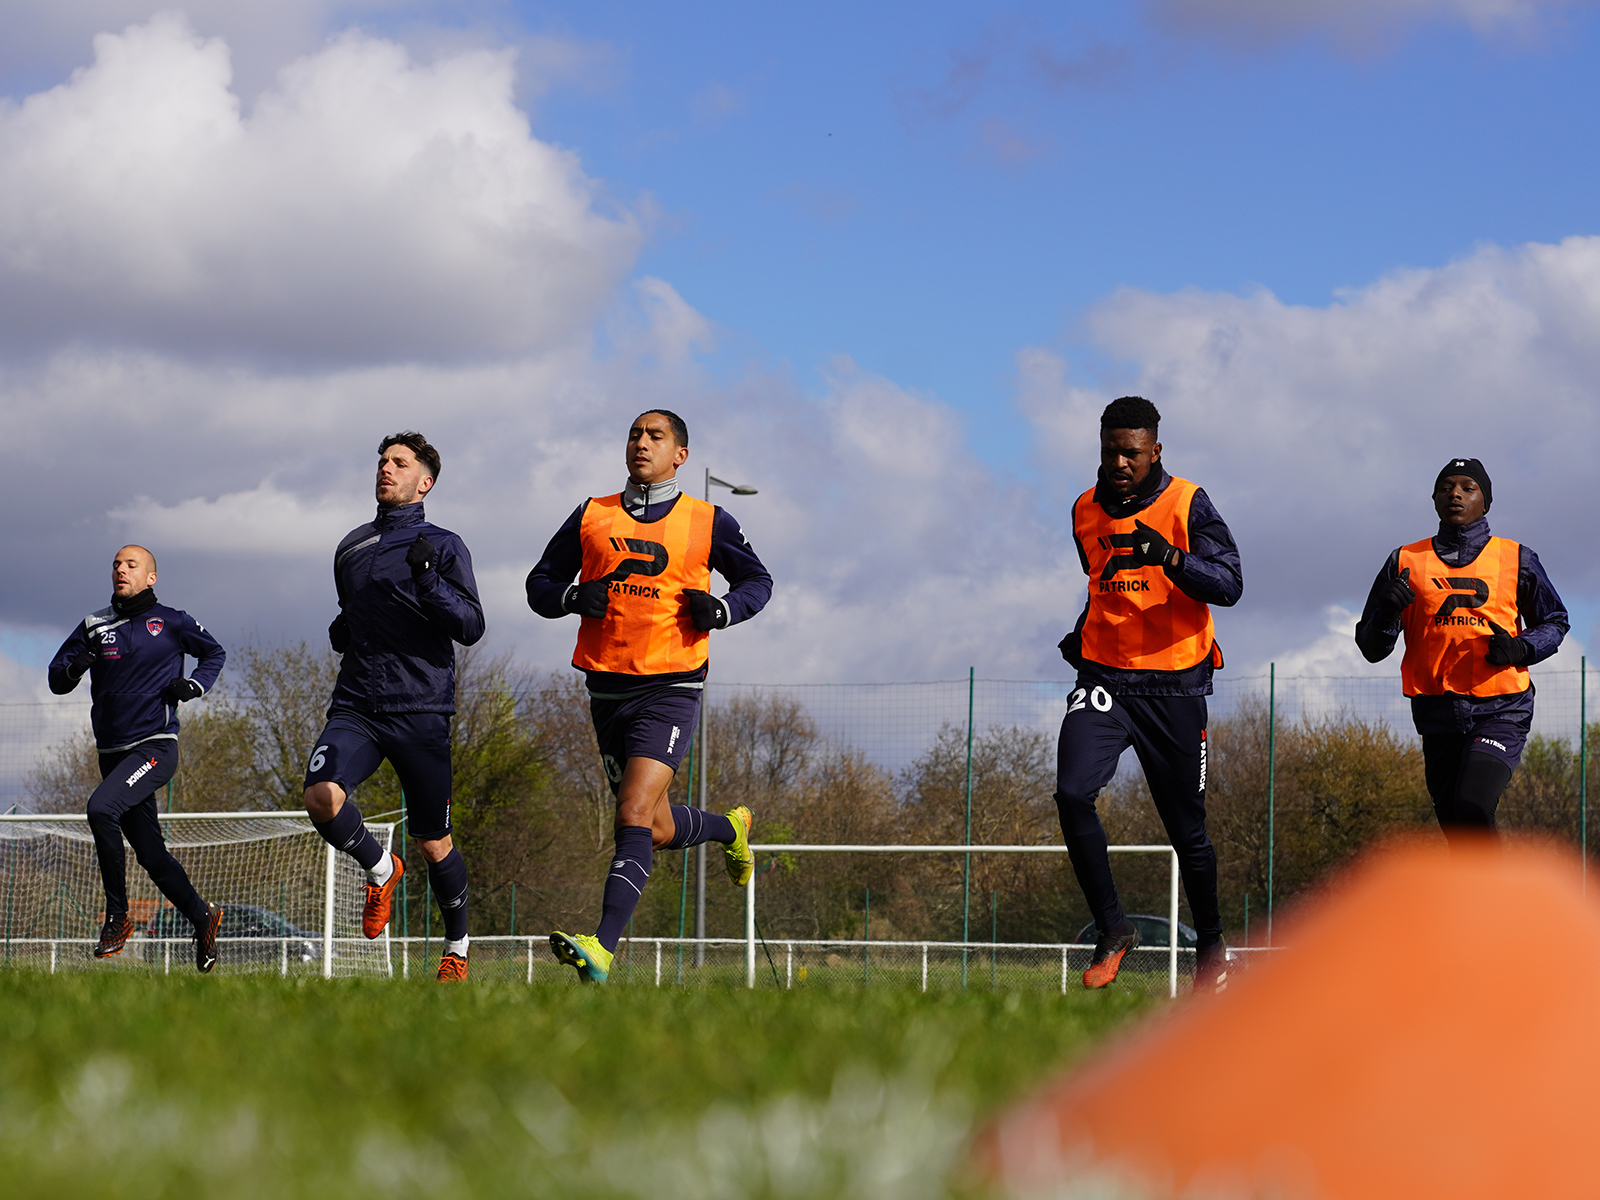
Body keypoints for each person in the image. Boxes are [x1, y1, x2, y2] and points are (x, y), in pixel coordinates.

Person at [526, 409, 773, 983]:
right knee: (656, 828)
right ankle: (729, 829)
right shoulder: (592, 514)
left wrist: (725, 610)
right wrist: (568, 597)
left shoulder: (708, 519)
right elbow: (538, 584)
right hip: (606, 687)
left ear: (679, 455)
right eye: (635, 434)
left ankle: (602, 947)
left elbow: (758, 581)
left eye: (655, 436)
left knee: (631, 813)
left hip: (672, 685)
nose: (642, 443)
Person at [1056, 396, 1242, 994]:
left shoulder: (1188, 502)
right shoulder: (1084, 508)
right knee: (1071, 790)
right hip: (1106, 680)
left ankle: (1210, 946)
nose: (1119, 463)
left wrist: (1169, 557)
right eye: (1110, 451)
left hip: (1175, 688)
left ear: (1155, 451)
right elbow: (1102, 583)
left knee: (1188, 834)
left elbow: (1230, 583)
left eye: (1131, 453)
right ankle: (1113, 930)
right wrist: (1082, 634)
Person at [302, 432, 485, 981]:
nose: (386, 468)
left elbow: (471, 626)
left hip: (421, 706)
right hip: (356, 705)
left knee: (434, 842)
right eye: (383, 461)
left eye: (399, 463)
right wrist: (345, 628)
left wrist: (430, 582)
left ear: (424, 481)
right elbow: (350, 612)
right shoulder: (350, 547)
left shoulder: (444, 544)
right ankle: (381, 867)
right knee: (321, 796)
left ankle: (457, 951)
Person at [1355, 458, 1567, 843]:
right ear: (1434, 499)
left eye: (1467, 487)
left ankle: (1498, 903)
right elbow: (1371, 648)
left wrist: (1521, 648)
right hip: (1436, 715)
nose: (1455, 493)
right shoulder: (1404, 561)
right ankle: (1477, 901)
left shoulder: (1516, 557)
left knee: (1472, 806)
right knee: (1457, 827)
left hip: (1501, 710)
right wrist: (1387, 611)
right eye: (1446, 487)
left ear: (1485, 502)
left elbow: (1555, 621)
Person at [47, 545, 226, 971]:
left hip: (155, 747)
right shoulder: (94, 626)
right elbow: (57, 678)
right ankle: (204, 917)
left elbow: (214, 653)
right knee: (152, 856)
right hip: (112, 756)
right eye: (116, 565)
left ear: (151, 578)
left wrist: (194, 686)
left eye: (131, 565)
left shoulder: (173, 622)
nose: (121, 570)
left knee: (100, 808)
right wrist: (76, 669)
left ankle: (117, 916)